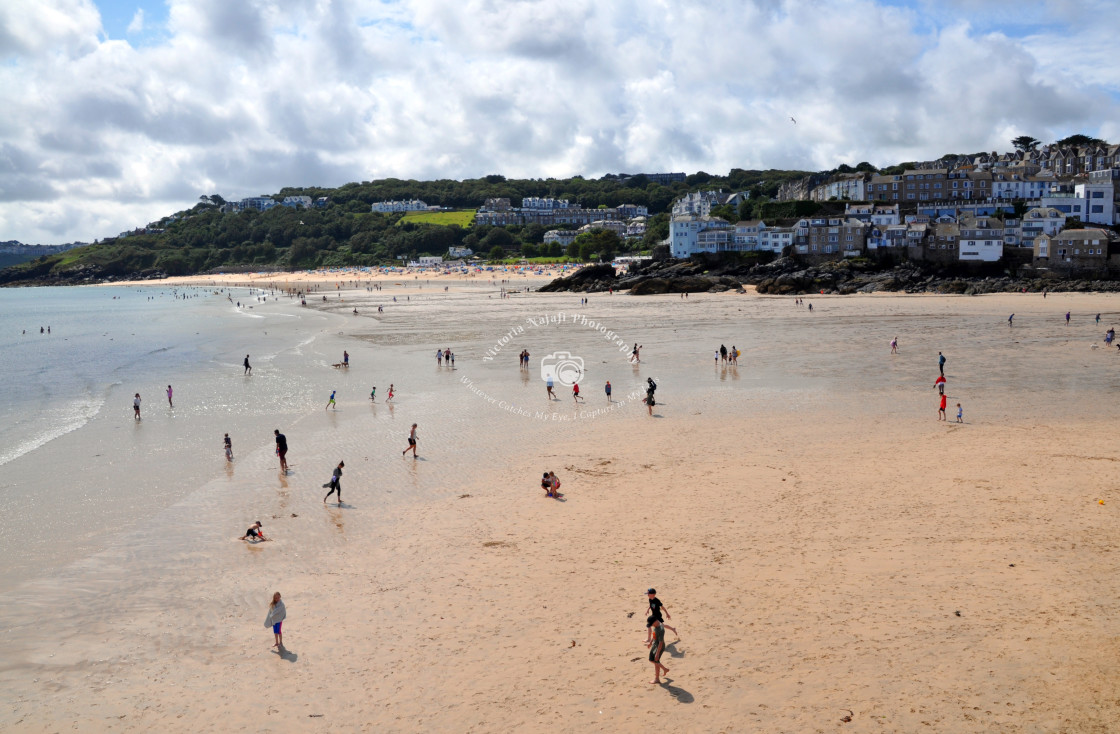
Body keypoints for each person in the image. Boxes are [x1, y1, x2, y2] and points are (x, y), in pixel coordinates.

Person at [646, 616, 669, 685]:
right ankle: (664, 669)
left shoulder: (661, 629)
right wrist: (650, 642)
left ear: (655, 621)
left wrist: (657, 653)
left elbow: (661, 642)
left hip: (659, 647)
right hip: (654, 645)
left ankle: (657, 679)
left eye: (652, 624)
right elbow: (654, 635)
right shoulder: (655, 626)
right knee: (651, 660)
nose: (652, 625)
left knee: (656, 661)